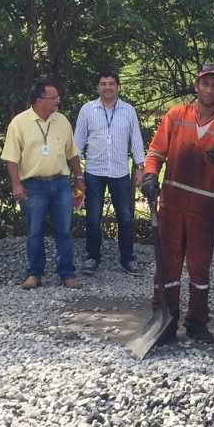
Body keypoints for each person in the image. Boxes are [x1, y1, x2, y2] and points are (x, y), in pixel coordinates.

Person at [139, 64, 214, 344]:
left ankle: (197, 322)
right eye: (204, 84)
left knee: (199, 268)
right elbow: (156, 152)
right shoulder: (175, 116)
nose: (209, 89)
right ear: (196, 86)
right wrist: (150, 175)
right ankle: (165, 321)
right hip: (171, 205)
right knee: (167, 266)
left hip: (203, 210)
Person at [1, 80, 86, 290]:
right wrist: (16, 185)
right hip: (33, 185)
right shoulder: (19, 123)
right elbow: (11, 158)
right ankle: (34, 274)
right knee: (35, 231)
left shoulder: (62, 121)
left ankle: (67, 273)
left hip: (60, 183)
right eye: (54, 97)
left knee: (64, 231)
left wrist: (79, 178)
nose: (58, 101)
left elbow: (72, 152)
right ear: (40, 100)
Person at [74, 70, 147, 275]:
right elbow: (77, 143)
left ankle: (127, 259)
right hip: (94, 173)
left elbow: (137, 141)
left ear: (118, 87)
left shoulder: (128, 110)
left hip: (120, 172)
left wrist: (141, 168)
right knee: (93, 218)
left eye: (111, 83)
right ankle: (92, 257)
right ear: (97, 87)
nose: (107, 87)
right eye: (103, 83)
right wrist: (77, 174)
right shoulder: (87, 110)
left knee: (125, 217)